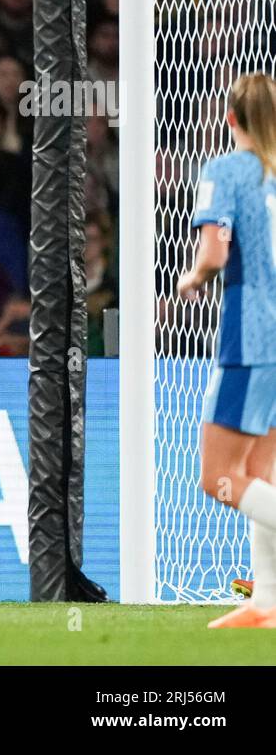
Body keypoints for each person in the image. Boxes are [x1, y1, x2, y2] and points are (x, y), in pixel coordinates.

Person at [176, 73, 276, 628]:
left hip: (252, 335)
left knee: (218, 477)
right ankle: (266, 602)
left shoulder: (225, 170)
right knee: (262, 474)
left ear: (231, 117)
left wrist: (191, 279)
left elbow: (214, 252)